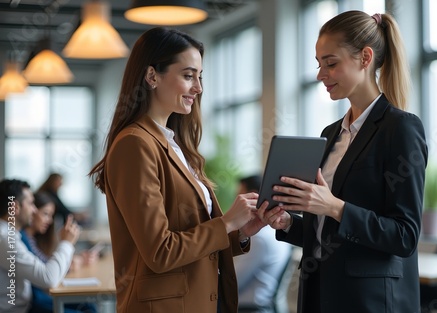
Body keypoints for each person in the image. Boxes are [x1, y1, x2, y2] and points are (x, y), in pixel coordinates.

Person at [258, 11, 428, 313]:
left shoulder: (400, 128)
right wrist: (288, 223)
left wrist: (334, 206)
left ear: (365, 58)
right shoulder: (331, 133)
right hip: (320, 293)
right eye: (319, 63)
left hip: (370, 301)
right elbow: (328, 233)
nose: (320, 74)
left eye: (331, 63)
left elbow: (405, 236)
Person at [88, 27, 264, 313]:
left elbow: (192, 237)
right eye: (188, 75)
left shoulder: (174, 144)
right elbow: (160, 252)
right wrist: (226, 223)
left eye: (199, 76)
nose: (199, 87)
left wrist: (240, 231)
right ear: (152, 76)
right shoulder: (135, 144)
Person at [0, 178, 80, 313]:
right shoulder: (5, 238)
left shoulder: (11, 235)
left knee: (88, 306)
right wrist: (66, 243)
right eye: (31, 203)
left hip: (26, 306)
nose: (34, 209)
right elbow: (49, 278)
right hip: (20, 310)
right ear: (14, 207)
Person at [20, 192, 98, 313]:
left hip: (43, 295)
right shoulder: (21, 239)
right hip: (36, 300)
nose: (50, 221)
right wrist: (67, 244)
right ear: (32, 211)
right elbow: (46, 272)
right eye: (45, 214)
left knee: (88, 305)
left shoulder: (34, 239)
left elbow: (45, 263)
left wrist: (74, 260)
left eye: (51, 215)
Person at [234, 175, 292, 312]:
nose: (234, 203)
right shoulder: (275, 233)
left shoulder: (259, 238)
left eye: (239, 197)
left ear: (253, 197)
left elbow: (234, 282)